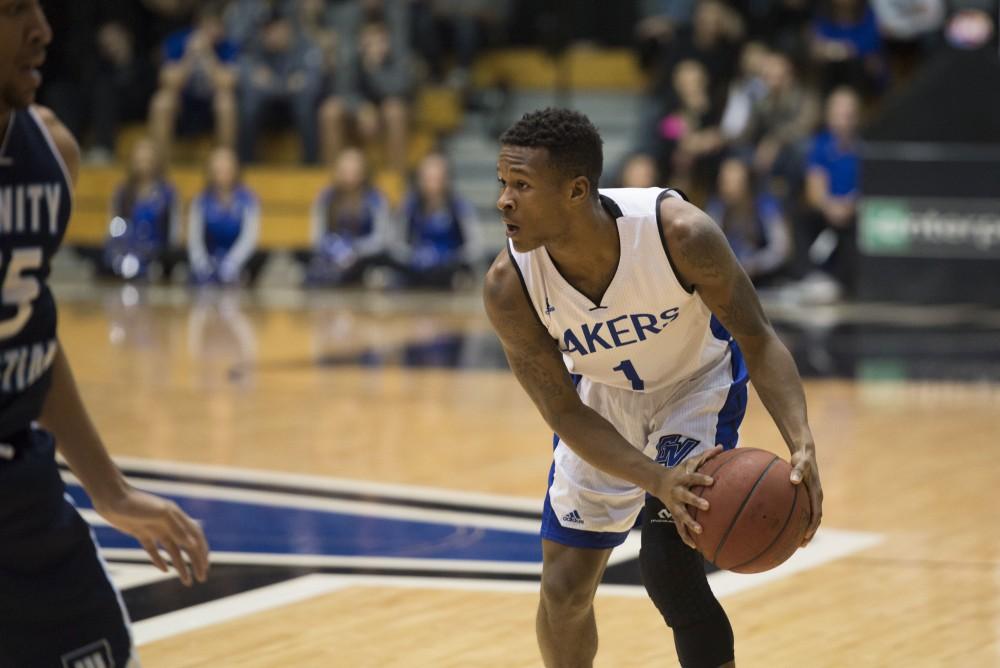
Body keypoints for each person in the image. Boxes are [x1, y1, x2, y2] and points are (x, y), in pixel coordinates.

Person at [483, 108, 822, 667]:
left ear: (575, 190)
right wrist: (655, 479)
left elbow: (758, 338)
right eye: (502, 183)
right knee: (564, 590)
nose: (504, 200)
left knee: (669, 566)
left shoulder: (678, 234)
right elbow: (563, 412)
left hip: (694, 384)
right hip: (596, 402)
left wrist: (802, 441)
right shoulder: (508, 285)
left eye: (521, 185)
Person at [0, 3, 209, 666]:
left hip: (23, 494)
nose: (42, 29)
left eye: (38, 7)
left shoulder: (50, 151)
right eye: (12, 11)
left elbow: (26, 327)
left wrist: (108, 487)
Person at [148, 1, 238, 158]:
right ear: (198, 25)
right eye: (209, 26)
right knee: (161, 102)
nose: (213, 32)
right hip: (183, 106)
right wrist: (189, 57)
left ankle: (225, 164)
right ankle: (160, 168)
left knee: (226, 102)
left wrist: (209, 55)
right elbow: (167, 82)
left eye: (217, 26)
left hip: (211, 110)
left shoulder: (228, 46)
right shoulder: (178, 41)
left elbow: (227, 83)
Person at [303, 147, 392, 286]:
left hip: (365, 255)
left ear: (363, 173)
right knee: (301, 255)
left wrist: (354, 249)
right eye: (345, 170)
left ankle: (362, 274)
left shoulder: (375, 199)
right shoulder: (326, 197)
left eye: (354, 171)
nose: (349, 176)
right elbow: (316, 236)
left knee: (385, 258)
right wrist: (335, 248)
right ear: (337, 172)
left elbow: (381, 239)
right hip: (333, 252)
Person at [103, 137, 182, 280]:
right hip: (128, 247)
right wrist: (119, 250)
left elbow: (173, 232)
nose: (144, 163)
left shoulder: (167, 192)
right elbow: (114, 226)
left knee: (169, 260)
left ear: (156, 161)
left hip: (156, 252)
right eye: (140, 158)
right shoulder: (123, 192)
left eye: (148, 158)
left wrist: (167, 252)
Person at [398, 152, 481, 288]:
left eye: (437, 178)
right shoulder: (410, 207)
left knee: (459, 273)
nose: (432, 183)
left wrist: (452, 258)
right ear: (420, 179)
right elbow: (398, 243)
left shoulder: (459, 207)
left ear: (446, 179)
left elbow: (474, 246)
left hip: (449, 267)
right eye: (428, 178)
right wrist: (414, 257)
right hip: (417, 267)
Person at [705, 157, 791, 286]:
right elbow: (706, 244)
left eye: (732, 180)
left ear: (746, 181)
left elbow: (781, 248)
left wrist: (755, 264)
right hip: (726, 277)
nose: (725, 184)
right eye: (723, 179)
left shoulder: (765, 205)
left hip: (763, 279)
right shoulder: (716, 207)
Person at [187, 146, 266, 286]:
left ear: (236, 170)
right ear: (210, 171)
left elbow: (249, 238)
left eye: (227, 169)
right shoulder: (200, 201)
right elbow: (195, 240)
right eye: (218, 169)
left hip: (239, 261)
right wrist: (201, 264)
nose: (223, 174)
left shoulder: (248, 200)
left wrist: (233, 262)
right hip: (210, 259)